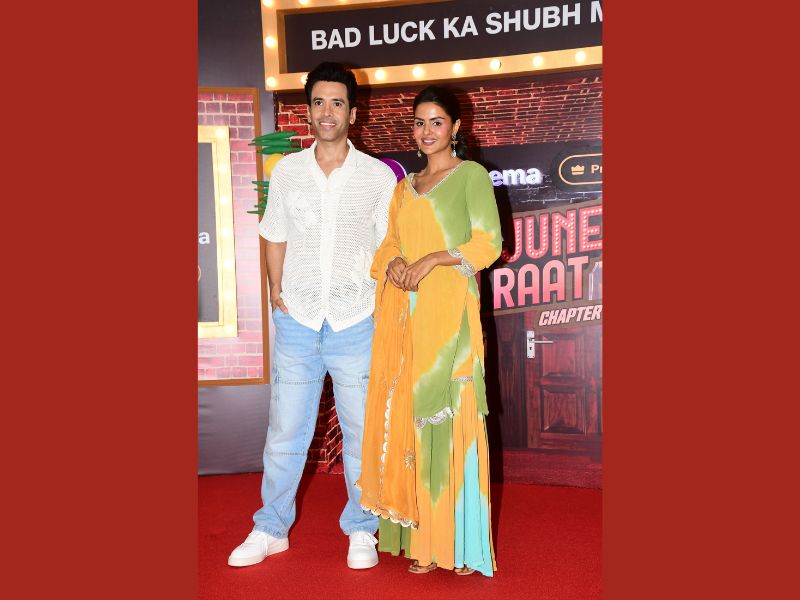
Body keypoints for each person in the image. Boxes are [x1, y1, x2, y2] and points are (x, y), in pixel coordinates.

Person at [228, 62, 397, 570]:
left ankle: (362, 527)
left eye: (337, 103)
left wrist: (380, 303)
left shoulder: (377, 177)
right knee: (284, 432)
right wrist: (275, 289)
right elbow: (274, 233)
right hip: (298, 320)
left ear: (353, 113)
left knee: (363, 433)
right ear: (308, 110)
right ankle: (270, 528)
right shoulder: (288, 172)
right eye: (319, 102)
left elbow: (387, 247)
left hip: (356, 320)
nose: (328, 112)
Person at [357, 86, 501, 576]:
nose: (426, 131)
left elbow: (488, 243)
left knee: (453, 424)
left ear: (455, 127)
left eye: (436, 121)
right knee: (413, 427)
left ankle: (458, 545)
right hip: (406, 325)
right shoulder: (405, 187)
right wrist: (395, 262)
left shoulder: (471, 176)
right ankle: (424, 541)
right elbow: (388, 243)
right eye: (419, 122)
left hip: (451, 323)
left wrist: (436, 258)